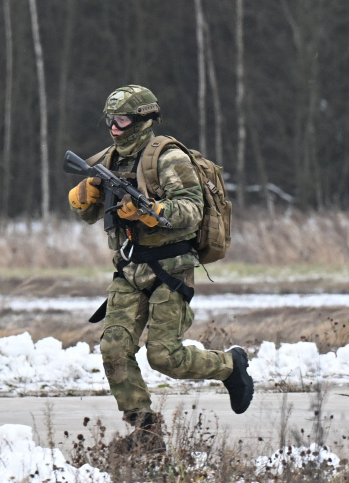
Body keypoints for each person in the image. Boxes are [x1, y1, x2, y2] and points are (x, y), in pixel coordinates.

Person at [68, 85, 253, 452]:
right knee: (114, 350)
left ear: (142, 120)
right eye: (110, 120)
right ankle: (147, 432)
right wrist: (85, 196)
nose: (114, 128)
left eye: (121, 120)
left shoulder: (168, 159)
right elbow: (88, 214)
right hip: (128, 270)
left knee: (164, 357)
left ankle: (230, 366)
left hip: (170, 269)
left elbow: (190, 211)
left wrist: (150, 212)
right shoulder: (106, 161)